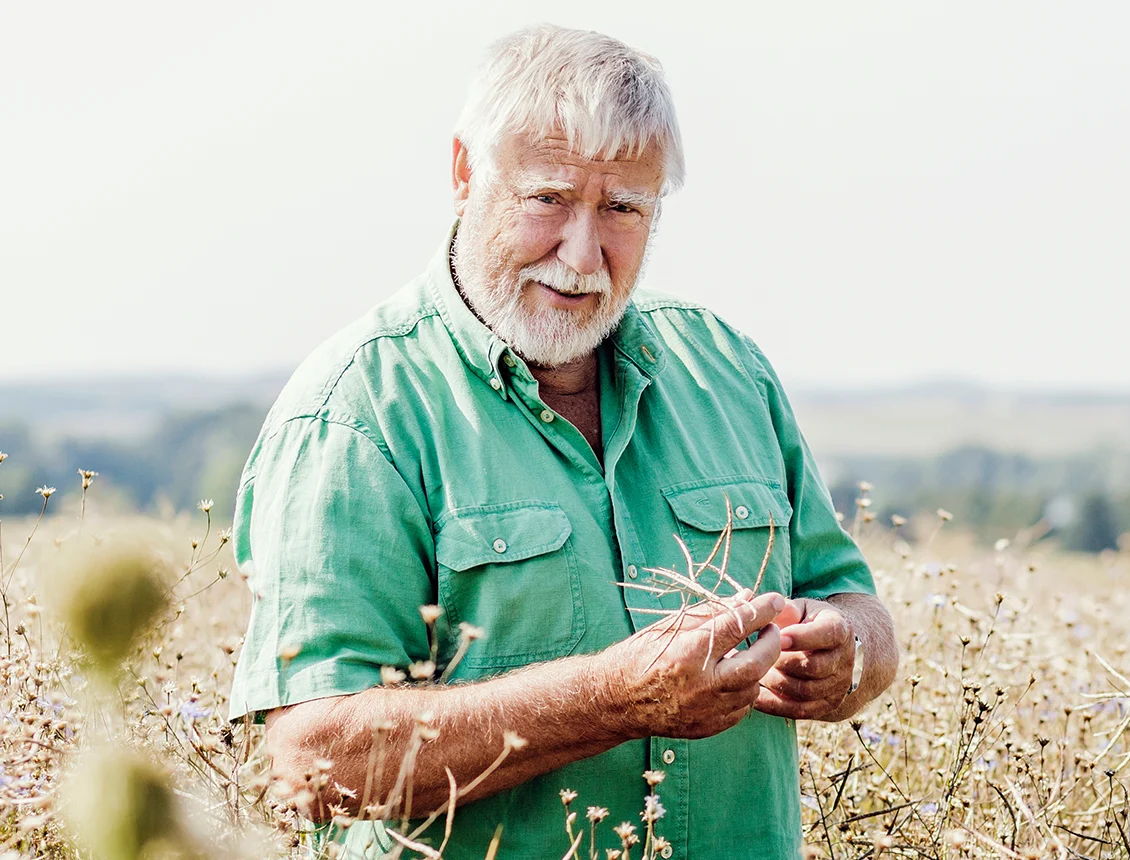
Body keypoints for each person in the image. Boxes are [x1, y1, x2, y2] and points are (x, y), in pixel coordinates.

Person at [228, 24, 898, 859]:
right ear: (466, 174)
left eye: (623, 209)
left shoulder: (728, 371)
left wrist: (847, 657)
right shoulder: (354, 415)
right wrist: (616, 699)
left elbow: (855, 604)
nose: (584, 255)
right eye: (548, 198)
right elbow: (311, 764)